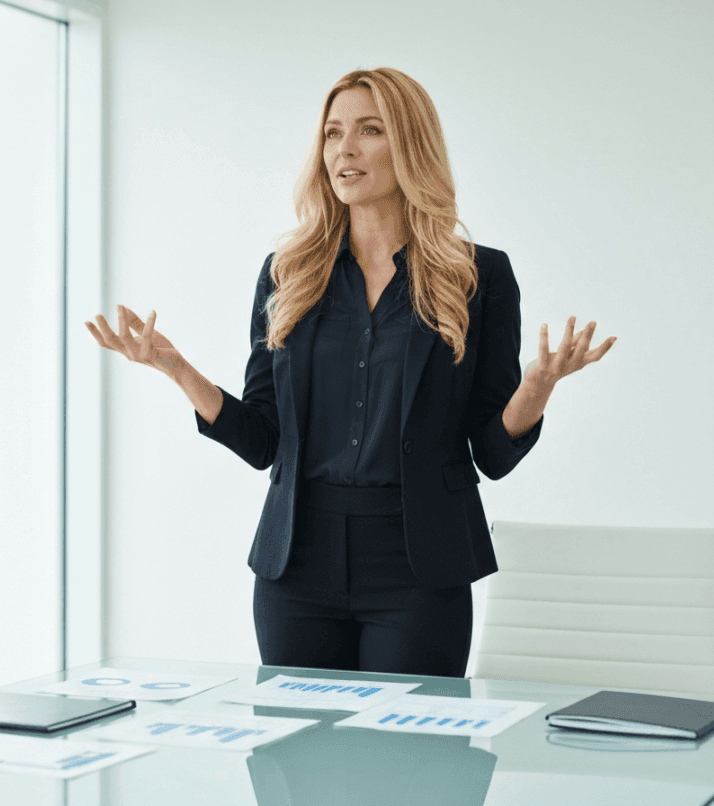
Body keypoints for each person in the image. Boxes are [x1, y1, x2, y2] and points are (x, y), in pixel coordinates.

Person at [86, 67, 615, 678]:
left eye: (369, 130)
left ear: (411, 145)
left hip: (419, 566)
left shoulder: (478, 276)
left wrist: (537, 388)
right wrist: (176, 369)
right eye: (333, 133)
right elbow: (263, 440)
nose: (345, 149)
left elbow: (491, 453)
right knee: (295, 763)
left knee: (409, 765)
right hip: (296, 566)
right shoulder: (288, 273)